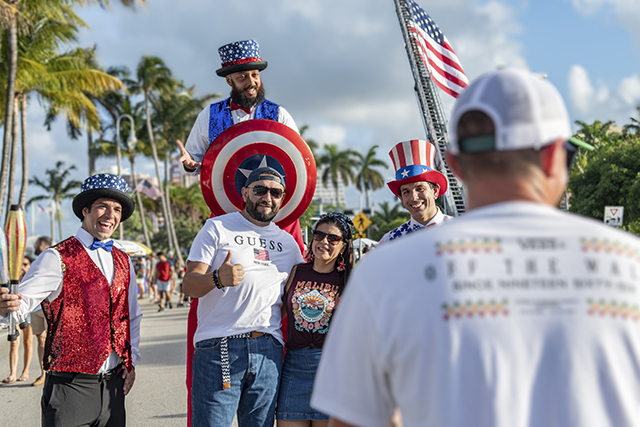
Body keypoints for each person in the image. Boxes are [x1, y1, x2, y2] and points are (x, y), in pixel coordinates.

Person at [311, 68, 640, 427]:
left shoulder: (383, 272)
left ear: (453, 166)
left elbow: (351, 420)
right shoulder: (629, 264)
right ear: (553, 159)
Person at [177, 39, 305, 426]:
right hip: (226, 217)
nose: (250, 81)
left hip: (275, 221)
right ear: (229, 79)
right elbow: (196, 158)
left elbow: (299, 161)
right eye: (242, 75)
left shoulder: (278, 113)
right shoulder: (210, 115)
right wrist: (188, 165)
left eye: (254, 74)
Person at [0, 173, 142, 426]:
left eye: (117, 209)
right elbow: (21, 305)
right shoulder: (55, 257)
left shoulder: (125, 260)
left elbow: (131, 315)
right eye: (103, 207)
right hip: (69, 388)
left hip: (113, 388)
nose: (110, 215)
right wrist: (6, 308)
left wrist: (130, 362)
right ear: (85, 210)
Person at [183, 166, 304, 427]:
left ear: (282, 198)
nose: (267, 197)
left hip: (268, 351)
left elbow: (291, 299)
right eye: (260, 190)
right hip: (219, 348)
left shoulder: (289, 243)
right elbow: (188, 285)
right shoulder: (217, 227)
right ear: (245, 192)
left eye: (275, 192)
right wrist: (217, 278)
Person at [277, 213, 354, 427]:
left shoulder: (349, 280)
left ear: (344, 246)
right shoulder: (296, 271)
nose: (324, 242)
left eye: (333, 239)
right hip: (293, 369)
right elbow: (278, 313)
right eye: (319, 235)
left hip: (331, 371)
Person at [379, 139, 451, 243]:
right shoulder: (390, 241)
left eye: (420, 189)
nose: (414, 197)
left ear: (435, 191)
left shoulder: (462, 231)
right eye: (406, 192)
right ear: (401, 198)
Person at [2, 256, 34, 384]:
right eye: (20, 264)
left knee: (28, 342)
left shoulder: (31, 278)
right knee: (14, 342)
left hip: (29, 312)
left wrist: (26, 273)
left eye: (25, 264)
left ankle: (25, 371)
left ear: (29, 265)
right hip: (15, 312)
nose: (22, 266)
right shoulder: (11, 279)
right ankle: (12, 374)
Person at [31, 237, 51, 387]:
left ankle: (53, 372)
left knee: (51, 340)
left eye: (36, 244)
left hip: (48, 307)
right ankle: (43, 373)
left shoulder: (52, 260)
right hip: (35, 307)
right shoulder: (35, 261)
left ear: (41, 244)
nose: (34, 246)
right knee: (40, 340)